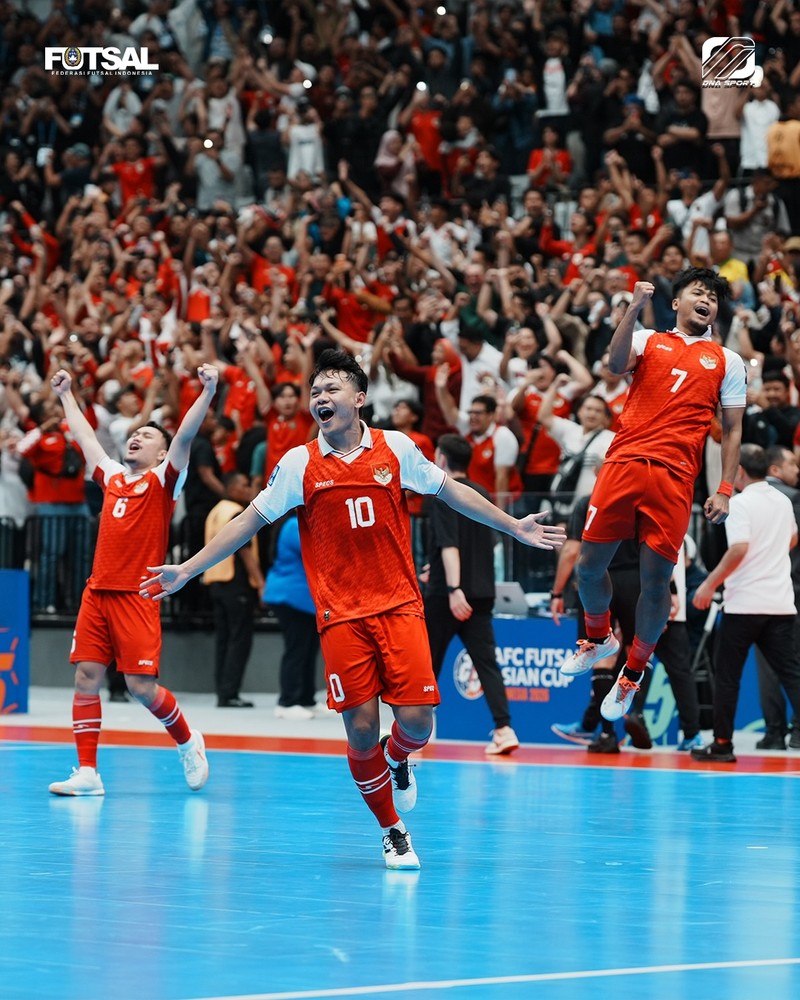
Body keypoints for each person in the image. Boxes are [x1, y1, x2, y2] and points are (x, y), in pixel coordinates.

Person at [140, 349, 565, 870]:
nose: (321, 397)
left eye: (332, 389)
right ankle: (393, 830)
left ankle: (400, 757)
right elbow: (247, 522)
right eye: (315, 391)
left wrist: (513, 525)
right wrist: (187, 569)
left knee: (417, 722)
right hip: (341, 616)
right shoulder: (299, 464)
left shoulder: (397, 449)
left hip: (400, 606)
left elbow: (451, 491)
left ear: (359, 400)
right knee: (360, 729)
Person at [560, 269, 747, 724]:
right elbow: (613, 363)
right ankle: (599, 636)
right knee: (587, 569)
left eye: (713, 298)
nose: (706, 300)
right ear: (677, 301)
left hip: (676, 476)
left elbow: (734, 428)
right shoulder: (646, 339)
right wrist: (631, 308)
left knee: (655, 582)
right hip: (623, 463)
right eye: (698, 293)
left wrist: (724, 488)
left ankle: (633, 671)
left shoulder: (727, 361)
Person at [47, 364, 220, 797]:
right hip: (97, 592)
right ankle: (88, 772)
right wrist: (67, 394)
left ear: (162, 455)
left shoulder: (164, 480)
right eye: (134, 434)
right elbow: (87, 437)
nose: (136, 437)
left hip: (137, 595)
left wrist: (208, 391)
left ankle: (187, 740)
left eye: (148, 436)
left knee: (140, 686)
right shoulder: (111, 478)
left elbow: (183, 436)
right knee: (86, 678)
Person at [691, 445, 800, 762]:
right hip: (780, 603)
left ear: (738, 472)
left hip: (744, 605)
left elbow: (739, 548)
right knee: (792, 674)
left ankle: (722, 744)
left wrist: (709, 584)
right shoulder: (782, 500)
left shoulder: (738, 504)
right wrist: (770, 558)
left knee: (727, 676)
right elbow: (792, 537)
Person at [423, 434, 519, 756]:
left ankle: (415, 731)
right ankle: (504, 729)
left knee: (426, 664)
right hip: (481, 592)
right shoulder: (482, 493)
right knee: (486, 663)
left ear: (442, 459)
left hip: (449, 595)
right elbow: (483, 546)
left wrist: (453, 588)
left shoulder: (442, 493)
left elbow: (450, 545)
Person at [752, 445, 800, 750]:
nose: (797, 469)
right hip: (791, 589)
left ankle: (773, 732)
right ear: (775, 470)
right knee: (792, 662)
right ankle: (797, 730)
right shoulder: (794, 498)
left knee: (768, 664)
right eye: (793, 464)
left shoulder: (742, 500)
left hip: (756, 591)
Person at [202, 471, 264, 708]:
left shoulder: (216, 510)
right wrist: (259, 583)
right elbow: (245, 552)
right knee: (239, 640)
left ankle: (223, 691)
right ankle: (230, 692)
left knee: (224, 639)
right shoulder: (237, 513)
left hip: (216, 582)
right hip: (235, 582)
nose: (248, 489)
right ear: (231, 488)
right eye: (244, 485)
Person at [264, 512, 323, 721]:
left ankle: (307, 699)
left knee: (308, 648)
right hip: (290, 596)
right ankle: (287, 702)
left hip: (304, 599)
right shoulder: (292, 525)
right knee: (296, 649)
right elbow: (318, 549)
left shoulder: (297, 524)